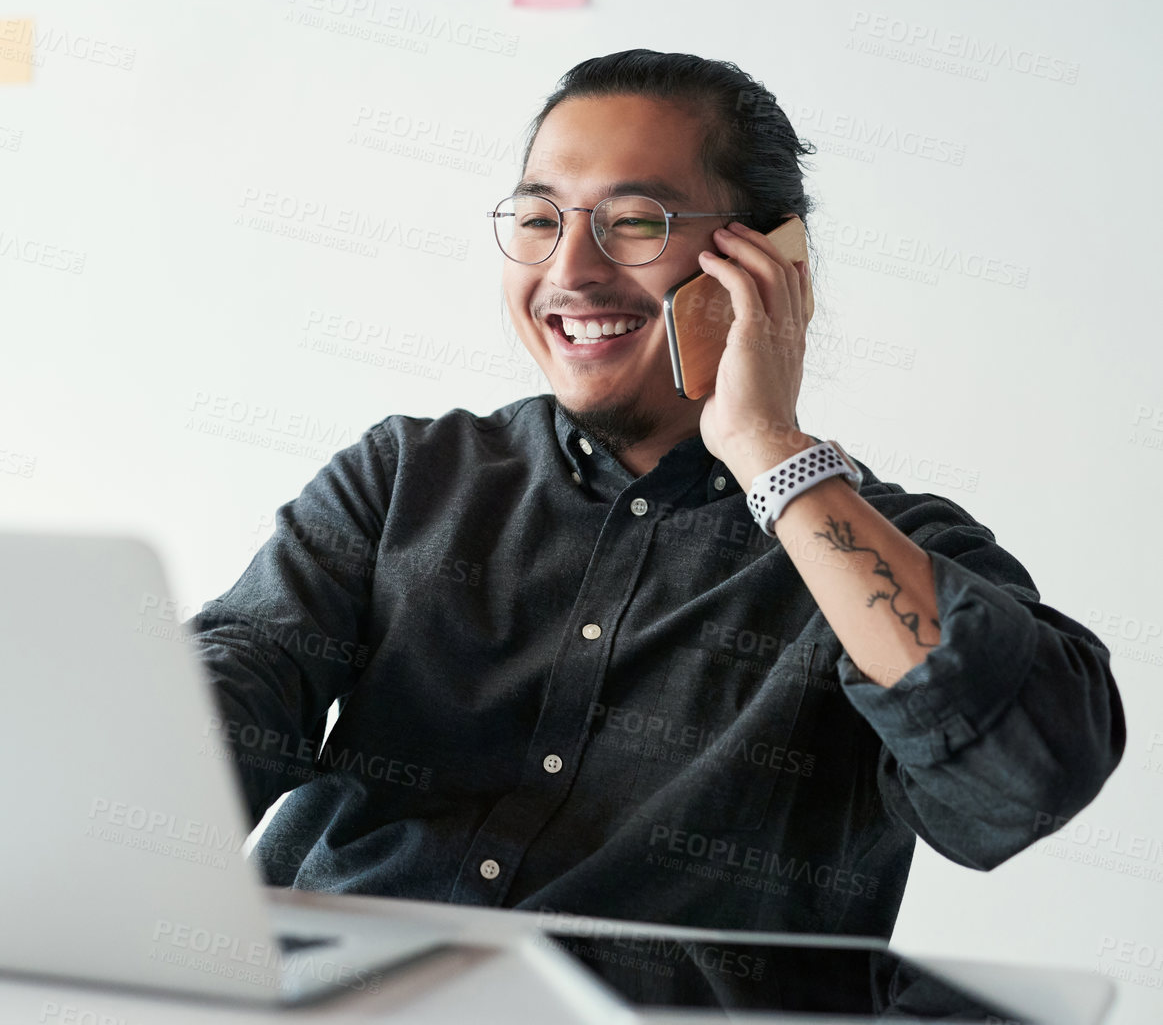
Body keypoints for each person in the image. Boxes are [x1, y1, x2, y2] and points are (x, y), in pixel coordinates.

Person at [190, 49, 1124, 936]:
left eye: (633, 221)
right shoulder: (406, 477)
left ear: (765, 262)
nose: (570, 271)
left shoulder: (884, 548)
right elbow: (237, 685)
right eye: (539, 219)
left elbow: (1026, 776)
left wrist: (769, 451)